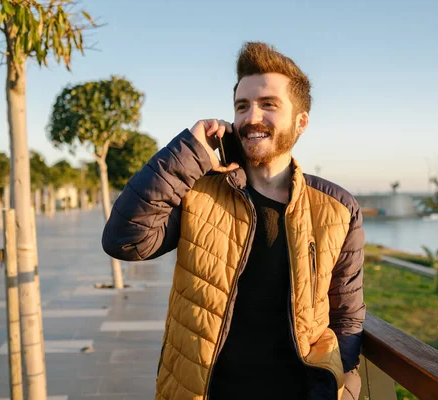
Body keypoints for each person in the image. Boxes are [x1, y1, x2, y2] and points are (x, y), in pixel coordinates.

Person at [102, 41, 365, 400]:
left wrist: (341, 389)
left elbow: (347, 318)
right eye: (243, 106)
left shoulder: (338, 208)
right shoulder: (199, 192)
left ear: (301, 122)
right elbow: (124, 241)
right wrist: (189, 153)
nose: (251, 117)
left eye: (268, 104)